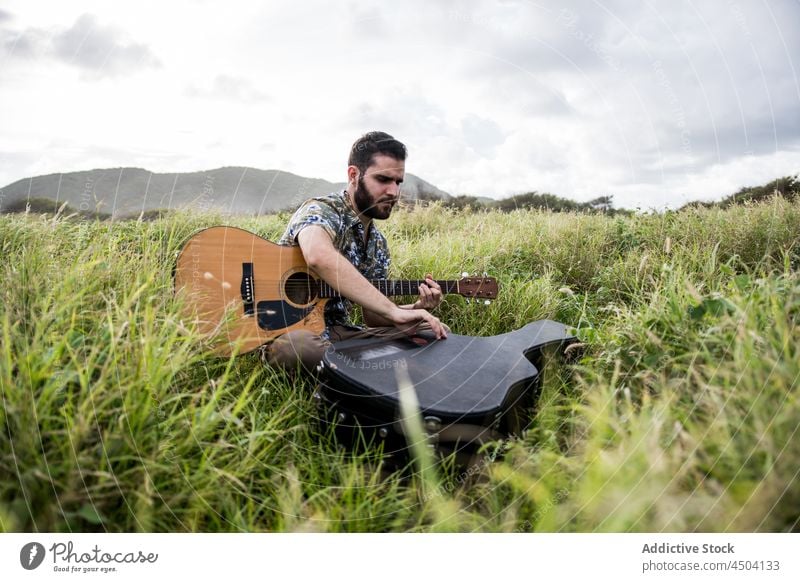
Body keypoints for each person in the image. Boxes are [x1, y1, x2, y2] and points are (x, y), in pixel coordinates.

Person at [262, 131, 449, 373]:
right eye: (383, 179)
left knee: (433, 332)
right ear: (354, 175)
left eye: (398, 182)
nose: (393, 192)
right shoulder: (322, 210)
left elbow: (374, 317)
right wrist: (393, 310)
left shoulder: (378, 244)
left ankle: (350, 370)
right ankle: (360, 372)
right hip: (288, 330)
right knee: (300, 347)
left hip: (339, 334)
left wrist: (416, 309)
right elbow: (317, 255)